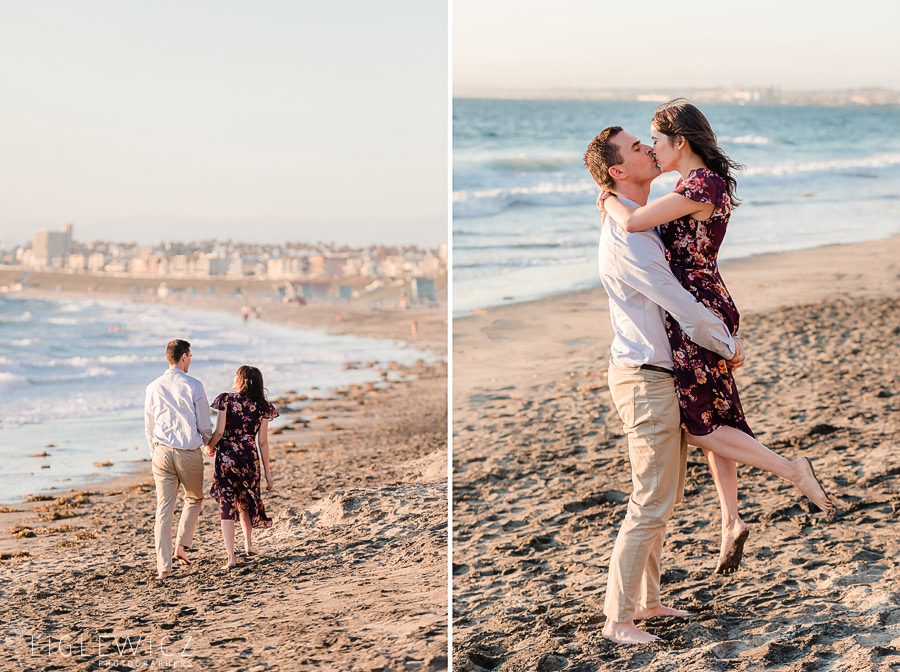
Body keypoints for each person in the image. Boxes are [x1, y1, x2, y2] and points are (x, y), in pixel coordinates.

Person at [600, 100, 834, 574]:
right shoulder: (696, 182)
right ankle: (730, 518)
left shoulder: (701, 183)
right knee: (714, 414)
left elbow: (631, 222)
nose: (652, 149)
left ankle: (794, 472)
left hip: (697, 308)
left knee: (700, 423)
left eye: (656, 141)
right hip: (703, 305)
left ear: (679, 142)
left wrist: (606, 196)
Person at [585, 126, 745, 644]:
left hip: (658, 374)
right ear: (618, 172)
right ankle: (618, 620)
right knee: (652, 498)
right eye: (637, 148)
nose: (649, 149)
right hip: (644, 377)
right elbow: (680, 304)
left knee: (663, 493)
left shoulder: (641, 224)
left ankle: (647, 602)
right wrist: (727, 346)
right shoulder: (630, 240)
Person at [144, 339, 212, 581]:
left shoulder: (152, 387)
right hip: (187, 452)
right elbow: (204, 424)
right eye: (190, 356)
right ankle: (182, 546)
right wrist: (208, 443)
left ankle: (163, 568)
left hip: (161, 452)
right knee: (194, 498)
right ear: (184, 356)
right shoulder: (194, 385)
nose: (190, 360)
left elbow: (148, 426)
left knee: (164, 510)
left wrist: (155, 452)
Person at [205, 365, 277, 569]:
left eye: (237, 376)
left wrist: (209, 447)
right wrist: (268, 474)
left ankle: (231, 557)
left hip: (227, 457)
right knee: (245, 500)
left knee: (227, 505)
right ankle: (248, 545)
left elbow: (219, 432)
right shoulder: (263, 407)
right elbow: (263, 442)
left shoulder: (226, 400)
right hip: (249, 458)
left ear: (241, 380)